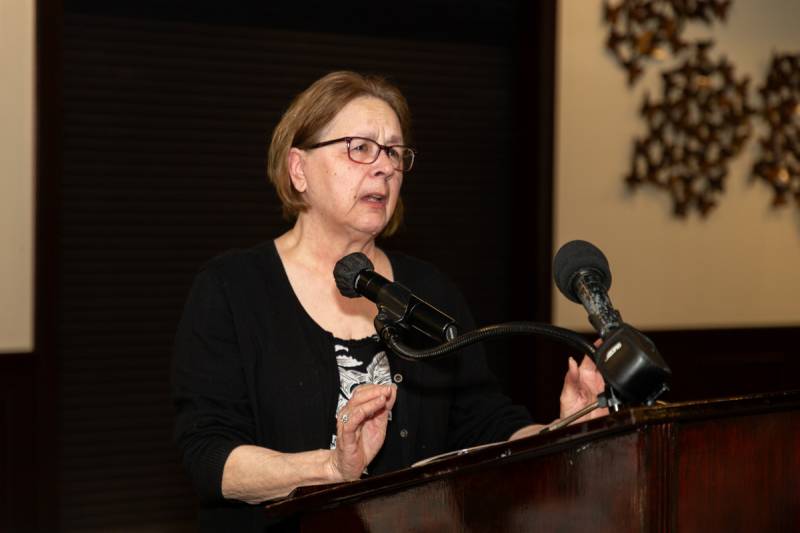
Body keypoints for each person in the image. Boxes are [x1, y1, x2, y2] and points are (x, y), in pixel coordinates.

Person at [172, 71, 607, 531]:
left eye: (394, 153)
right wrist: (331, 469)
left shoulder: (429, 291)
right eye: (359, 148)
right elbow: (209, 456)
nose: (384, 167)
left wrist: (564, 432)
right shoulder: (232, 288)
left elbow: (486, 424)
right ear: (299, 169)